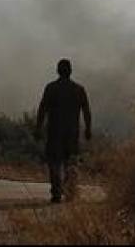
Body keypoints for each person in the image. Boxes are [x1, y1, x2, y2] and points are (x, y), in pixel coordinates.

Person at [34, 58, 92, 203]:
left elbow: (42, 110)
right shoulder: (79, 89)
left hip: (54, 133)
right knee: (70, 163)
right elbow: (86, 111)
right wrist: (88, 129)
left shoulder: (51, 88)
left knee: (54, 163)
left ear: (58, 71)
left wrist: (38, 128)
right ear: (70, 71)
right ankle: (71, 192)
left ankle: (56, 193)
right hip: (72, 134)